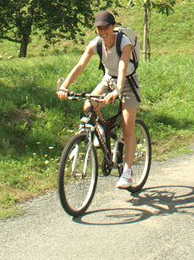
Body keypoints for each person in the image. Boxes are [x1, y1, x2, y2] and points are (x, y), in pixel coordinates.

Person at [57, 11, 141, 189]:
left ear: (113, 27)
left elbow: (122, 66)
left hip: (127, 82)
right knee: (88, 106)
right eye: (99, 28)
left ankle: (127, 171)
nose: (102, 31)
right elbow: (80, 65)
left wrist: (117, 91)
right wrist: (64, 86)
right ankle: (102, 131)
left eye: (105, 27)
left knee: (127, 127)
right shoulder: (96, 44)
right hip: (108, 79)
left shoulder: (123, 43)